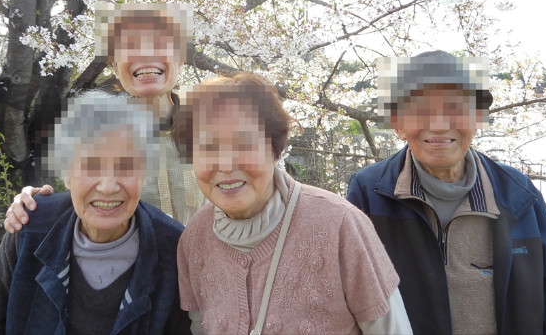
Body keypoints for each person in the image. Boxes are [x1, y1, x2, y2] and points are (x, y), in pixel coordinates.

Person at [346, 50, 546, 335]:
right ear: (397, 124)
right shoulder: (370, 192)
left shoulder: (517, 193)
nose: (438, 123)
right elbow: (351, 300)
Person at [172, 72, 412, 335]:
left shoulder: (341, 226)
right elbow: (199, 326)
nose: (227, 165)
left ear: (274, 148)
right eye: (207, 148)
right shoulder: (194, 238)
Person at [0, 95, 190, 334]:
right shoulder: (30, 225)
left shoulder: (174, 248)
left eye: (126, 165)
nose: (108, 186)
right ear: (66, 174)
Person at [5, 3, 204, 231]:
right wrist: (35, 204)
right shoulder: (91, 137)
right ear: (115, 68)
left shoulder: (215, 131)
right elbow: (83, 203)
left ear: (180, 61)